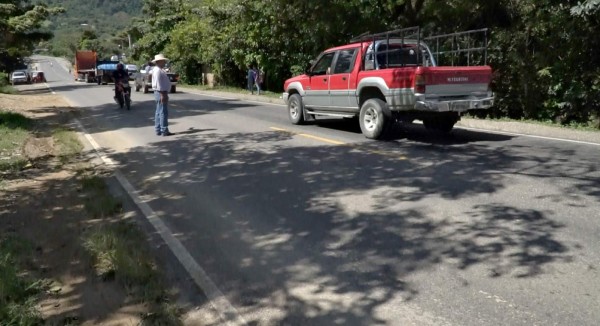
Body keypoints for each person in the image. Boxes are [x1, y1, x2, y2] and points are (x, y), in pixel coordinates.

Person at [151, 54, 173, 136]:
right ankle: (164, 130)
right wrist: (162, 94)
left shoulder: (159, 69)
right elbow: (158, 83)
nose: (164, 62)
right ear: (159, 61)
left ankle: (158, 129)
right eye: (163, 61)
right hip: (161, 92)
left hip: (160, 92)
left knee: (158, 111)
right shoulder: (157, 70)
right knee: (163, 112)